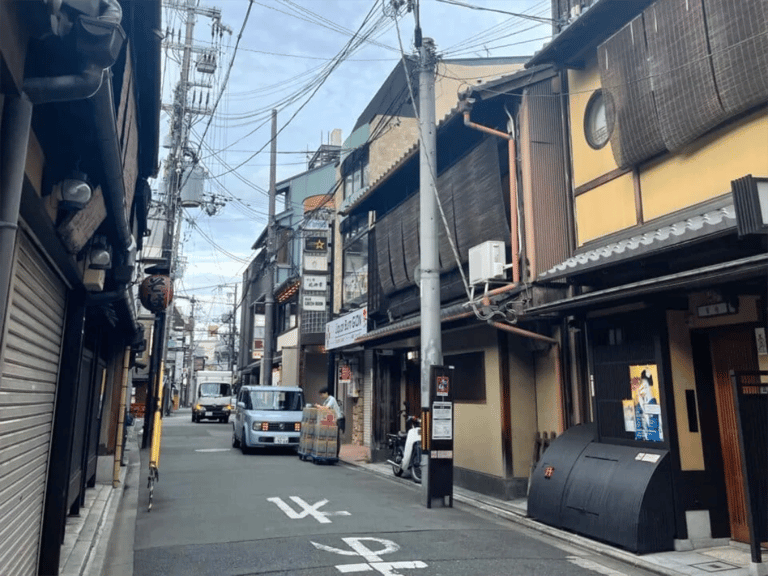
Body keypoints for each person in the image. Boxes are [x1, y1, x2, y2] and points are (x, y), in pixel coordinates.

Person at [316, 387, 344, 456]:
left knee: (335, 437)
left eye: (321, 394)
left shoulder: (331, 399)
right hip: (331, 420)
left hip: (338, 419)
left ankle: (335, 454)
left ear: (326, 393)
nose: (321, 396)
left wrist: (319, 406)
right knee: (331, 436)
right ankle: (330, 452)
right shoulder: (326, 401)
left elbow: (325, 408)